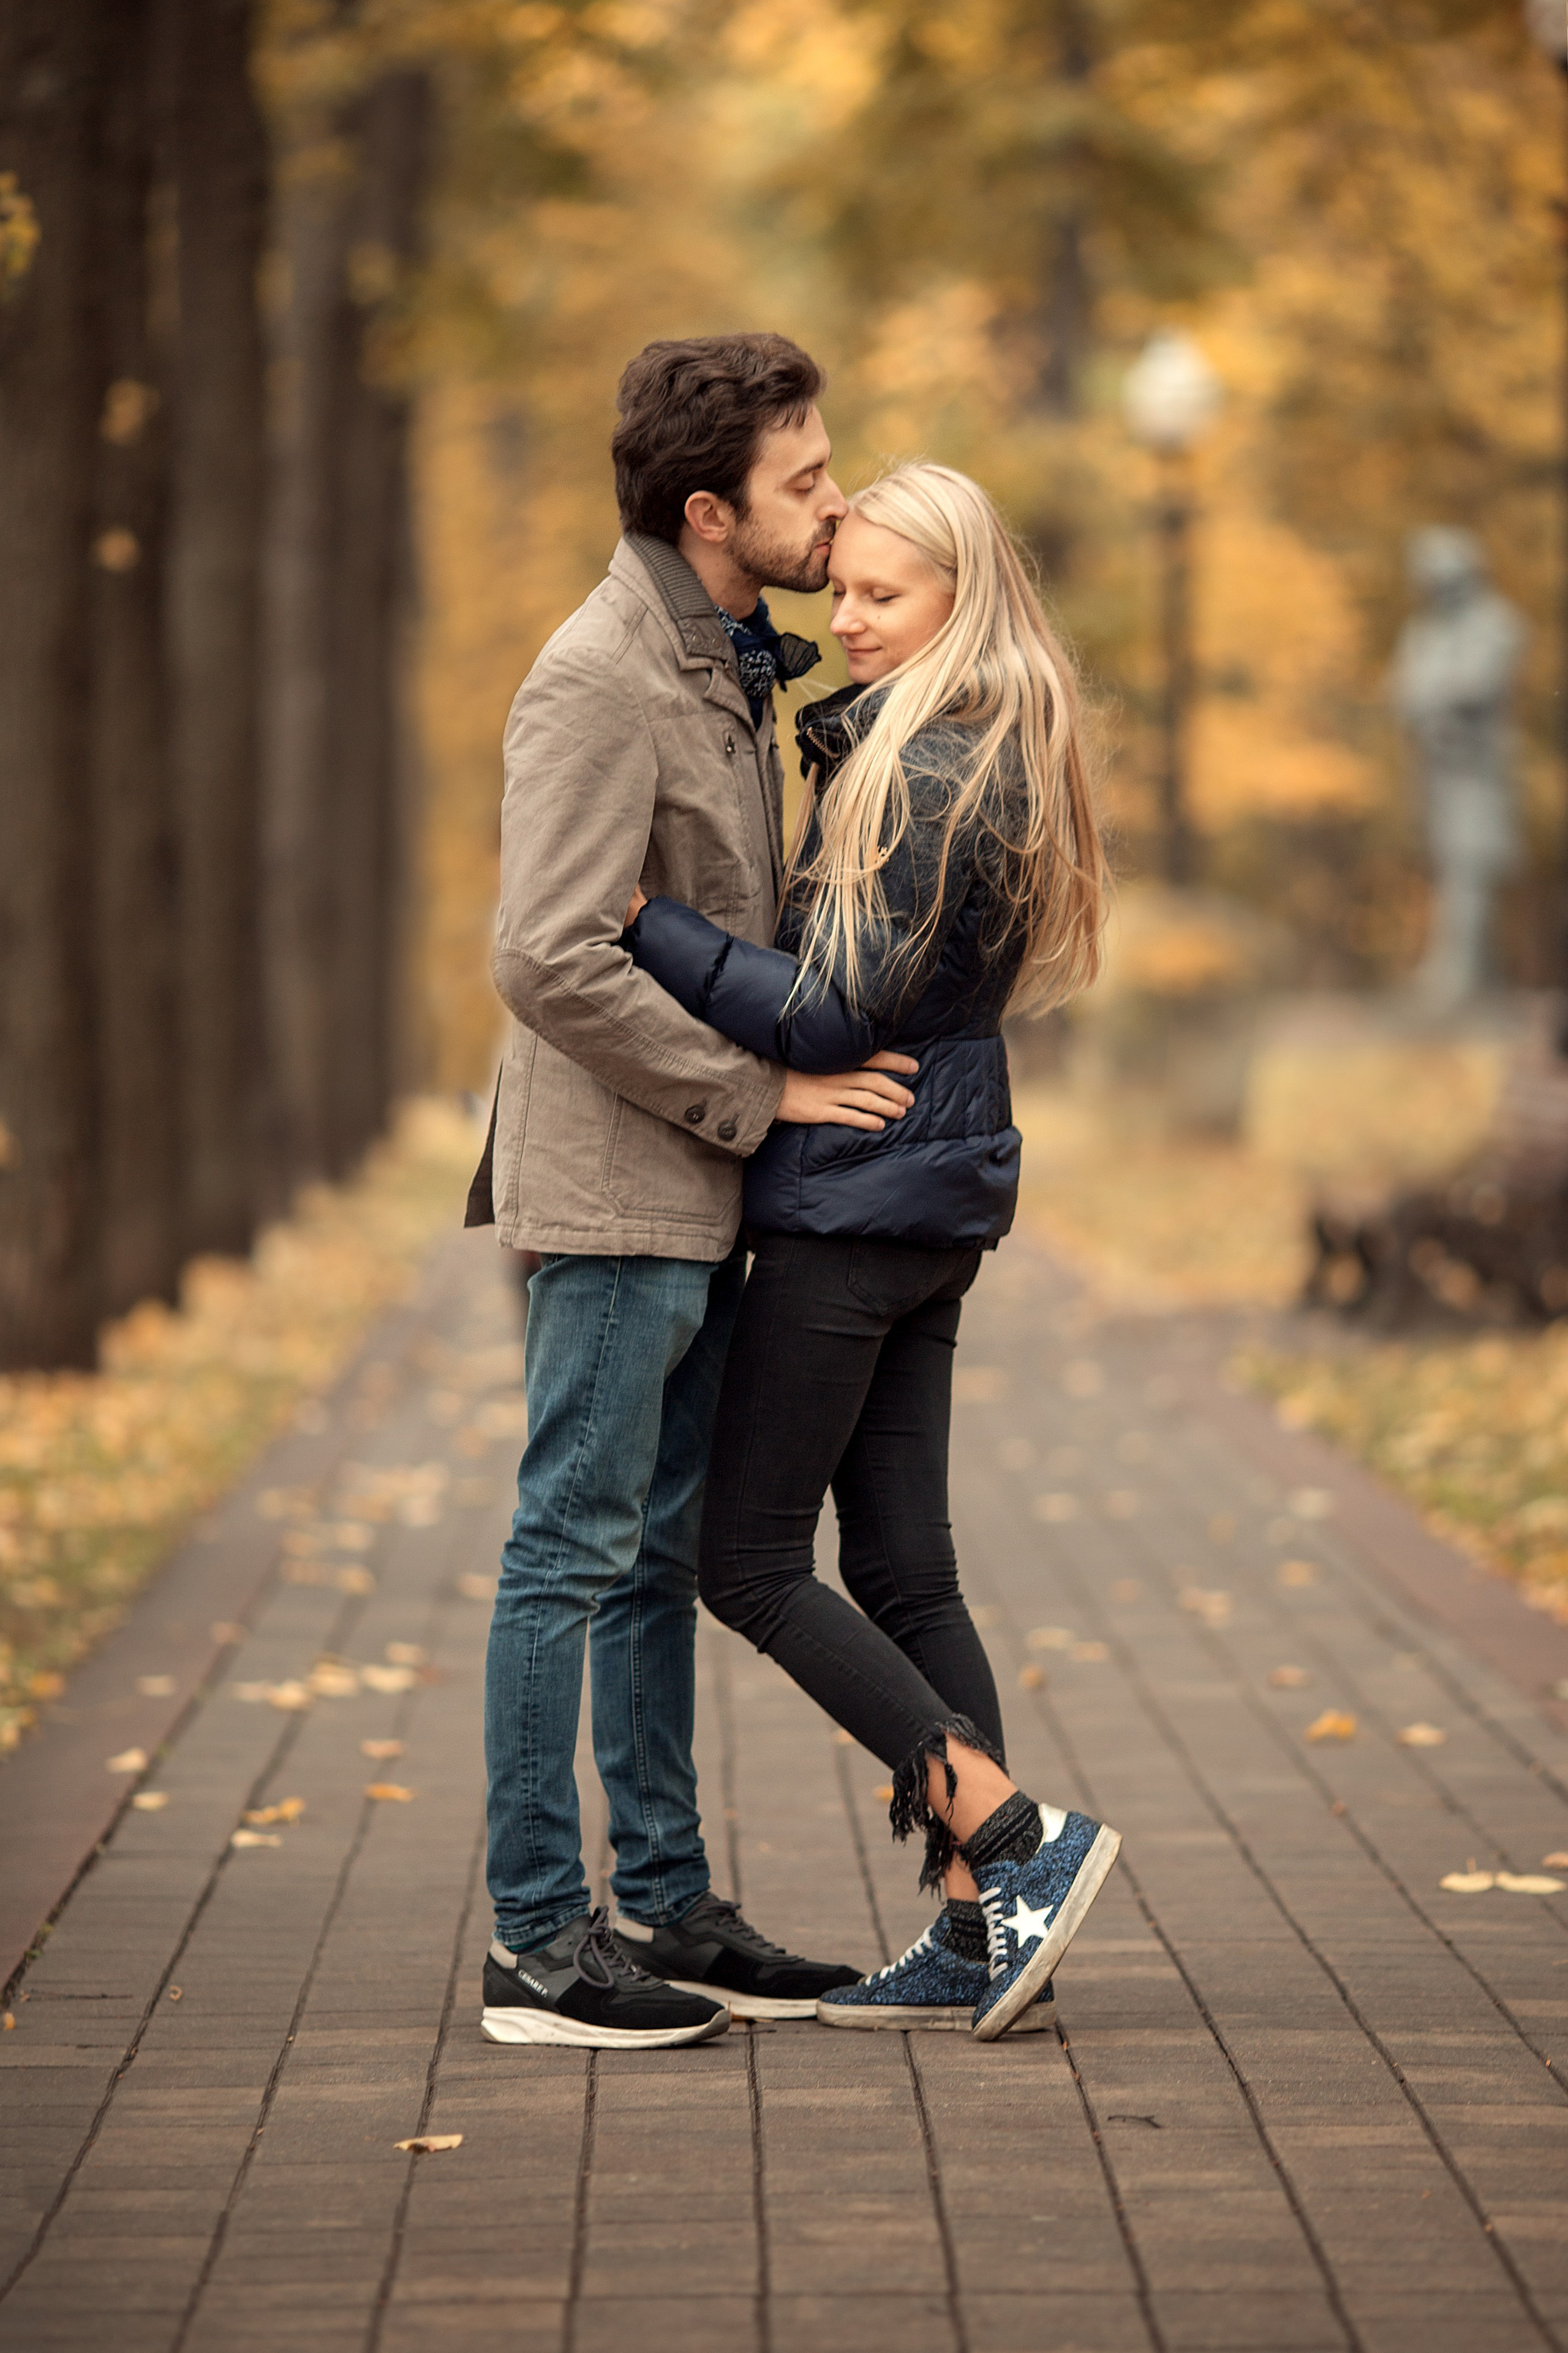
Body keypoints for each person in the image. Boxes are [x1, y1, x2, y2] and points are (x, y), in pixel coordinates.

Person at [622, 462, 1120, 2041]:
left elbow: (833, 1011)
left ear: (963, 602)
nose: (847, 621)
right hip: (928, 1201)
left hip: (854, 1204)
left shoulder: (931, 772)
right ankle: (985, 1938)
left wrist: (650, 922)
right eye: (840, 588)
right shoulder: (963, 743)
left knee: (748, 1563)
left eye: (884, 596)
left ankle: (1018, 1838)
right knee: (908, 1571)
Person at [468, 334, 921, 2050]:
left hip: (698, 1196)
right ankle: (535, 1941)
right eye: (810, 480)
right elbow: (545, 953)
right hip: (613, 1192)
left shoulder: (725, 658)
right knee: (568, 1552)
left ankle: (663, 1902)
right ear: (711, 507)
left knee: (652, 1555)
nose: (840, 497)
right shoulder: (599, 674)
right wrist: (762, 1092)